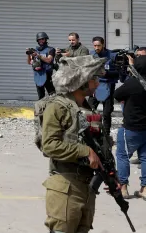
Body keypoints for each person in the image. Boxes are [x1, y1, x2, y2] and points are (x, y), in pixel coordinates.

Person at [38, 55, 106, 233]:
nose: (97, 83)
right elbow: (49, 145)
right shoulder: (57, 107)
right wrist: (85, 151)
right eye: (94, 78)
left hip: (87, 187)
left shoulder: (87, 108)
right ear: (81, 81)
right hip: (65, 186)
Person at [113, 52, 146, 201]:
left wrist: (132, 70)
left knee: (122, 156)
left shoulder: (133, 83)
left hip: (131, 128)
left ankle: (123, 187)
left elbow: (117, 94)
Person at [89, 36, 121, 137]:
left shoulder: (112, 55)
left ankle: (106, 135)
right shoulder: (91, 55)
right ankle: (93, 133)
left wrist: (107, 74)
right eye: (95, 46)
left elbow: (119, 73)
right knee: (90, 110)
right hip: (94, 86)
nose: (96, 48)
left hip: (108, 85)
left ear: (103, 44)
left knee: (106, 113)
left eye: (98, 45)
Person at [28, 32, 57, 99]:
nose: (41, 41)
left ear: (46, 39)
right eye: (39, 39)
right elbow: (30, 62)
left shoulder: (51, 49)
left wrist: (38, 55)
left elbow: (49, 60)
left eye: (42, 39)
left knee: (52, 95)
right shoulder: (35, 50)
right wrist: (28, 55)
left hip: (47, 74)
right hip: (38, 75)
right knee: (41, 96)